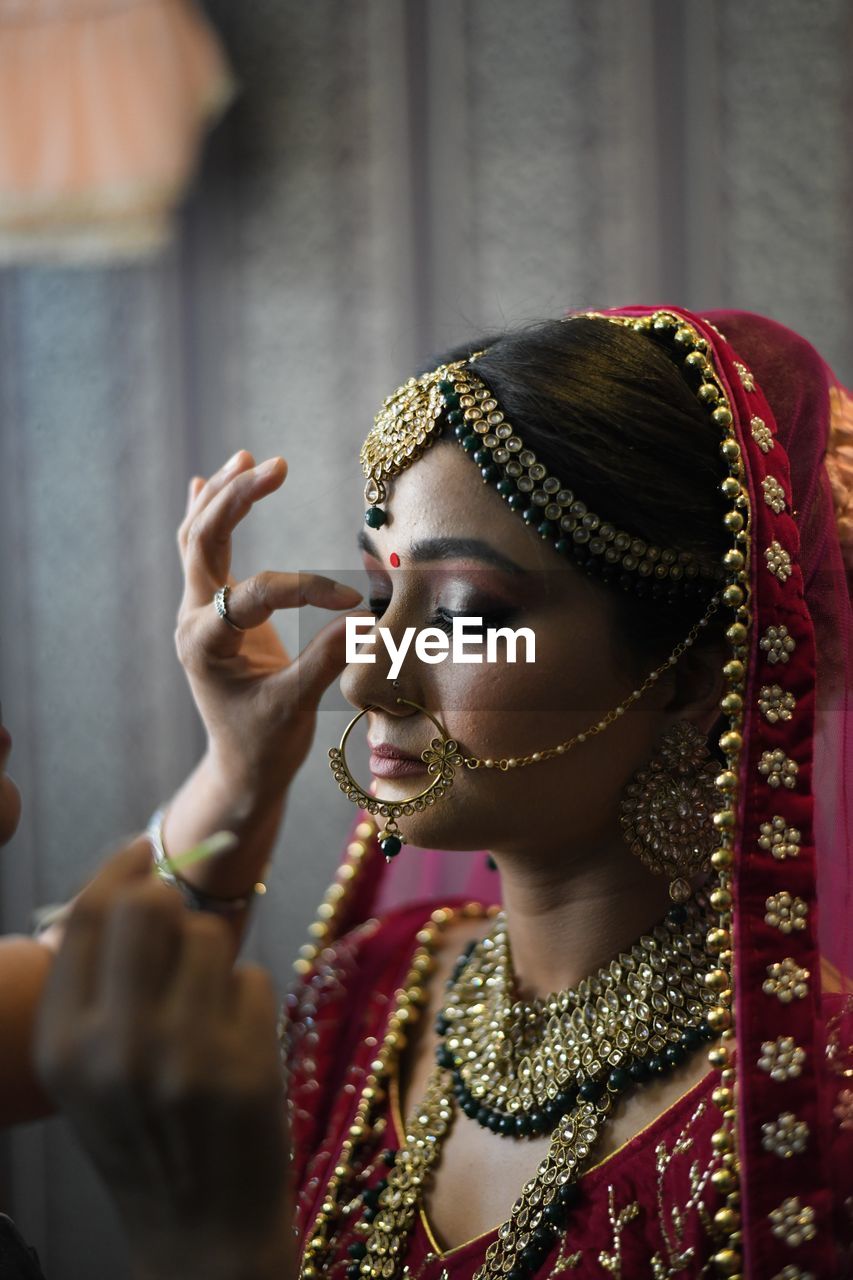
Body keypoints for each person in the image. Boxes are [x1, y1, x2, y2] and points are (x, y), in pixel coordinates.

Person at [156, 306, 852, 1279]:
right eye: (374, 595)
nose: (363, 679)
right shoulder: (364, 989)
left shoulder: (808, 1104)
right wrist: (235, 770)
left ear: (691, 681)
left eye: (470, 614)